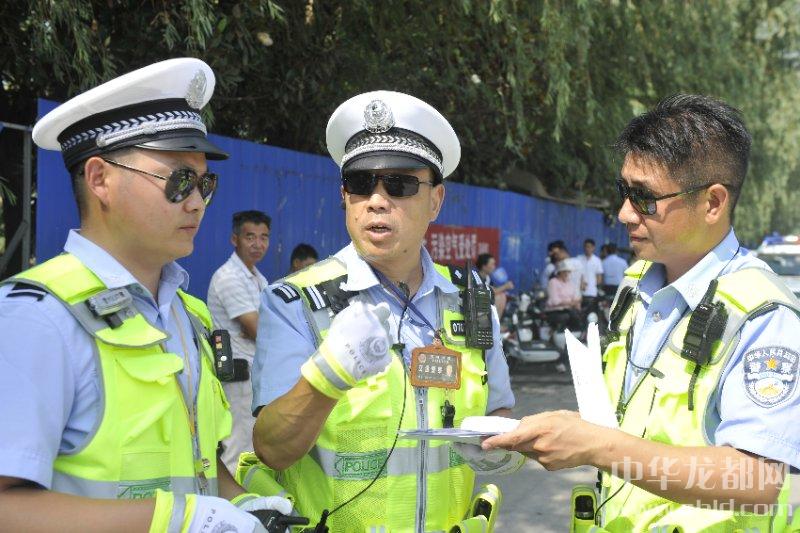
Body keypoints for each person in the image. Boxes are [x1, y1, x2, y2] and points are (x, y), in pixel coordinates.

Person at [483, 94, 800, 531]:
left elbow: (758, 480)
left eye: (645, 198)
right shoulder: (637, 284)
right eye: (625, 192)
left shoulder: (763, 316)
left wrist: (598, 446)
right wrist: (575, 431)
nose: (624, 214)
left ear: (712, 203)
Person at [0, 59, 290, 532]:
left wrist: (244, 503)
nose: (196, 202)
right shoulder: (37, 318)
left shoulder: (187, 315)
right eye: (178, 180)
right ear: (100, 179)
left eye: (205, 184)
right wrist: (176, 520)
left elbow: (198, 461)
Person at [244, 91, 518, 532]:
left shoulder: (471, 298)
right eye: (360, 184)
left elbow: (497, 411)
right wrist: (328, 377)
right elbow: (273, 450)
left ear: (435, 200)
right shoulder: (296, 302)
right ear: (344, 196)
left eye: (399, 185)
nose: (376, 200)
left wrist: (501, 447)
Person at [207, 210, 271, 473]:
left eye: (264, 237)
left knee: (252, 442)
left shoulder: (257, 278)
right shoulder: (229, 277)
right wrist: (259, 328)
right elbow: (259, 330)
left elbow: (266, 327)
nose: (258, 244)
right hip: (239, 374)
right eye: (250, 237)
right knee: (238, 446)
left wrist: (261, 328)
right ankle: (232, 497)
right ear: (235, 240)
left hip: (254, 373)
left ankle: (249, 493)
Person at [476, 252, 514, 317]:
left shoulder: (488, 278)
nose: (494, 267)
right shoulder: (476, 277)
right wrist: (505, 286)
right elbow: (490, 292)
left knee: (502, 295)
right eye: (492, 264)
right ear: (484, 267)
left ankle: (496, 322)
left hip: (484, 304)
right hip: (475, 305)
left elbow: (493, 289)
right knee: (499, 297)